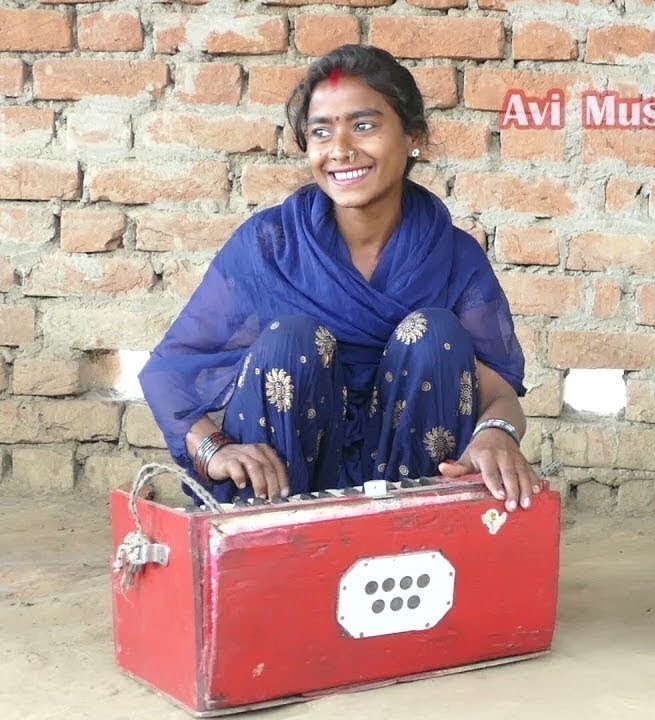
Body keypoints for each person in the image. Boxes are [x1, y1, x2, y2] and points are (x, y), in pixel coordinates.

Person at [139, 45, 541, 513]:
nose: (341, 149)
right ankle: (269, 537)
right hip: (284, 489)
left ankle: (414, 530)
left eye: (364, 126)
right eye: (321, 132)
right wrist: (214, 449)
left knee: (435, 333)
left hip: (410, 486)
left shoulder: (451, 255)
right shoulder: (272, 245)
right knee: (294, 338)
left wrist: (497, 433)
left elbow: (499, 394)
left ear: (412, 136)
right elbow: (171, 369)